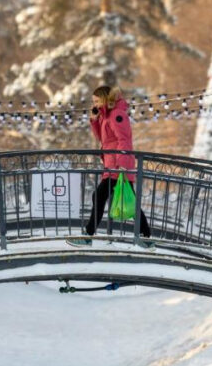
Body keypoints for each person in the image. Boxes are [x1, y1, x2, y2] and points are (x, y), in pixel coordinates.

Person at [66, 85, 154, 249]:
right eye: (93, 101)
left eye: (97, 101)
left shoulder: (116, 115)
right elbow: (104, 139)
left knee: (100, 197)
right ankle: (146, 237)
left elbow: (124, 140)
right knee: (129, 202)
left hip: (118, 167)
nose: (95, 104)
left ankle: (88, 235)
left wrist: (121, 164)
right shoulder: (106, 116)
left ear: (106, 99)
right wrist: (94, 120)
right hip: (112, 166)